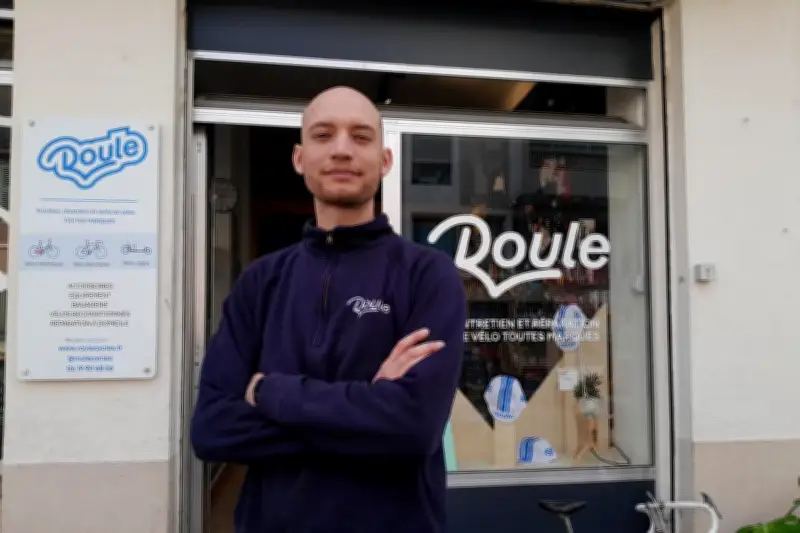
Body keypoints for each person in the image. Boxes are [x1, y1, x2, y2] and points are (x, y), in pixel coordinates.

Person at [190, 85, 467, 533]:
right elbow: (213, 430)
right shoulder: (260, 282)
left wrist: (269, 394)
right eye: (323, 135)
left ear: (385, 160)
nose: (341, 149)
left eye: (361, 137)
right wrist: (369, 412)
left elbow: (415, 428)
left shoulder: (427, 275)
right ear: (299, 159)